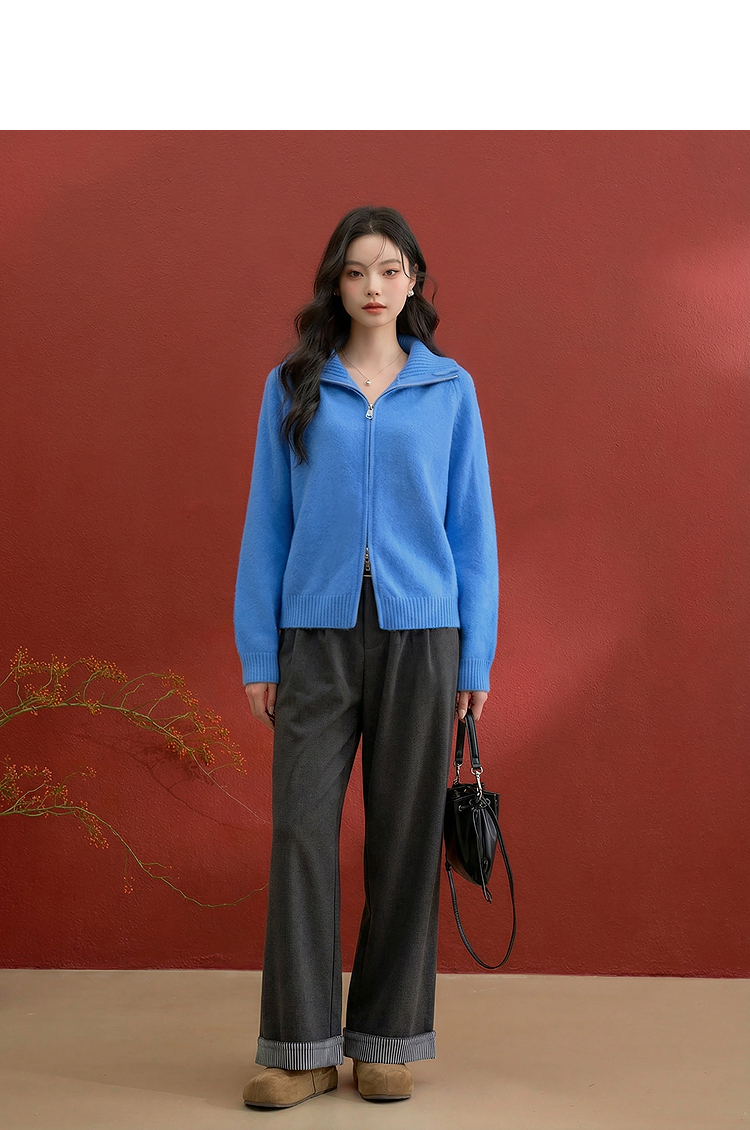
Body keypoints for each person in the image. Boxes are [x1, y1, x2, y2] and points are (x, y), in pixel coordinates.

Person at [234, 205, 498, 1109]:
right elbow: (267, 520)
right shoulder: (294, 384)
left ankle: (386, 1037)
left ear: (413, 279)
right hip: (314, 636)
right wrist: (259, 647)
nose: (373, 287)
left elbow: (472, 531)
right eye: (356, 272)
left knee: (405, 838)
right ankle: (301, 1048)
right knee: (301, 833)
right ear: (336, 284)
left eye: (389, 270)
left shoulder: (449, 389)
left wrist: (475, 660)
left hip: (424, 636)